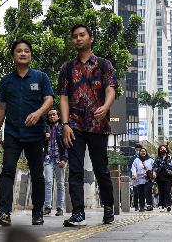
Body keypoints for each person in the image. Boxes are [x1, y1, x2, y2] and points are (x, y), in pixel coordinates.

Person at [0, 38, 54, 226]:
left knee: (37, 174)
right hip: (12, 133)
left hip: (35, 134)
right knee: (8, 170)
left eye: (26, 51)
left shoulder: (41, 77)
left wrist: (38, 113)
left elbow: (49, 100)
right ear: (13, 55)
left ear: (30, 55)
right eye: (19, 51)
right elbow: (2, 107)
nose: (23, 53)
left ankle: (38, 212)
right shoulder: (6, 80)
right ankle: (3, 212)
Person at [59, 24, 117, 226]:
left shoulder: (103, 64)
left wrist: (106, 106)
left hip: (97, 124)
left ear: (91, 38)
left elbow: (111, 90)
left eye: (82, 35)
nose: (78, 39)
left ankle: (108, 206)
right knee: (74, 169)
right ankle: (77, 212)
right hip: (74, 124)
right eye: (74, 36)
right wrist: (64, 124)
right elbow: (64, 97)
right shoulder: (67, 68)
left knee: (101, 168)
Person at [43, 108, 68, 216]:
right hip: (48, 159)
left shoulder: (63, 128)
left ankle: (59, 208)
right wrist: (44, 137)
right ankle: (47, 207)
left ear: (58, 116)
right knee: (48, 182)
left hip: (59, 159)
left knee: (60, 183)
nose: (52, 116)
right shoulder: (45, 128)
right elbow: (39, 143)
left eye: (54, 115)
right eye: (50, 115)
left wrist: (64, 159)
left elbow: (67, 144)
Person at [153, 144, 172, 212]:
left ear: (166, 150)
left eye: (163, 149)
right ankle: (162, 205)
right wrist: (154, 173)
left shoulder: (170, 158)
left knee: (167, 190)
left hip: (168, 177)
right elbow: (154, 167)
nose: (162, 150)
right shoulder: (157, 159)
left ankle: (168, 205)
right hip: (160, 177)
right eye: (160, 149)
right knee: (161, 191)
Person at [131, 147, 154, 212]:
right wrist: (134, 174)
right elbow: (133, 167)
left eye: (144, 151)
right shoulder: (136, 160)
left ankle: (149, 205)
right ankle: (142, 206)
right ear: (139, 153)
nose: (143, 152)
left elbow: (154, 167)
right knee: (140, 193)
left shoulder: (150, 160)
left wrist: (154, 173)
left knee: (148, 191)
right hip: (139, 179)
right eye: (141, 151)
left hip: (148, 179)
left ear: (146, 152)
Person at [128, 143, 142, 211]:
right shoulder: (132, 158)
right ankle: (136, 206)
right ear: (135, 150)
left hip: (143, 177)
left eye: (139, 149)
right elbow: (129, 167)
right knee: (136, 192)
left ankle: (142, 205)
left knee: (142, 192)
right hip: (134, 177)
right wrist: (131, 175)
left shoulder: (144, 157)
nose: (138, 151)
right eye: (137, 150)